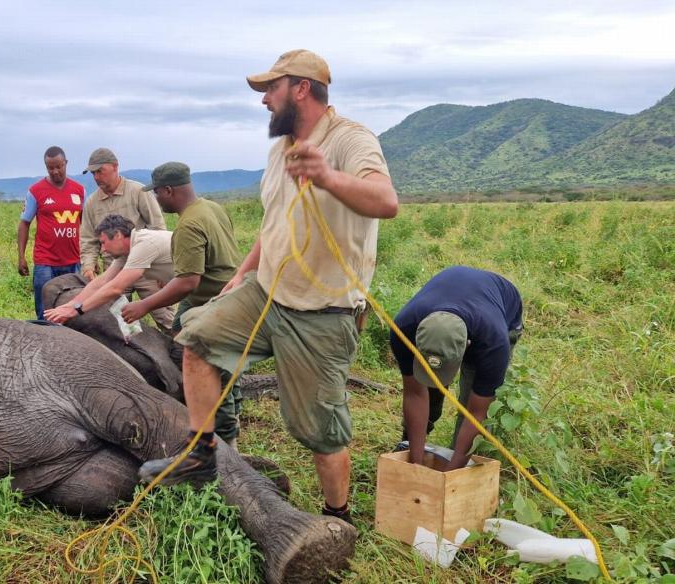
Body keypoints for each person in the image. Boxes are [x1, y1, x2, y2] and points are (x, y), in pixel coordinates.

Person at [139, 49, 398, 527]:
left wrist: (325, 175)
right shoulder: (281, 151)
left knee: (320, 429)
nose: (263, 102)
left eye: (270, 91)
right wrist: (242, 273)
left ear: (302, 88)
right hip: (268, 292)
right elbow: (274, 221)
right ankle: (201, 454)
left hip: (323, 309)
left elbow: (385, 201)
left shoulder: (350, 141)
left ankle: (336, 516)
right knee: (196, 338)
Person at [119, 162, 245, 447]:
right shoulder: (212, 208)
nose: (156, 200)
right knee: (225, 370)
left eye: (157, 194)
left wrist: (145, 305)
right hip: (231, 300)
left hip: (215, 308)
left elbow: (189, 281)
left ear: (168, 190)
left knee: (212, 375)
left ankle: (226, 448)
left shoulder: (188, 224)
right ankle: (230, 416)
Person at [390, 266, 524, 471]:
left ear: (467, 346)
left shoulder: (494, 344)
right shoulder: (404, 328)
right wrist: (415, 465)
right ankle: (411, 444)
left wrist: (450, 476)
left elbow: (476, 413)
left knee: (471, 398)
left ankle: (461, 465)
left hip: (501, 311)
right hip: (457, 306)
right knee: (430, 387)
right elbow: (415, 394)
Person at [44, 214, 175, 332]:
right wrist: (71, 304)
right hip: (185, 283)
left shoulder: (144, 244)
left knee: (179, 330)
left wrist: (76, 311)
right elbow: (102, 281)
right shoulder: (126, 250)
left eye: (103, 242)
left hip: (193, 285)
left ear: (117, 235)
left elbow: (115, 288)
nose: (103, 250)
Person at [17, 146, 88, 320]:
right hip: (45, 262)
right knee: (45, 312)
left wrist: (90, 258)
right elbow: (24, 223)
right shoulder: (36, 191)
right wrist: (21, 256)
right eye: (50, 167)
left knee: (73, 310)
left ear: (66, 163)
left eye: (59, 166)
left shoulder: (79, 190)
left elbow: (86, 224)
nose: (55, 171)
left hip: (73, 261)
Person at [78, 147, 166, 283]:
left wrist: (161, 269)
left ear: (115, 167)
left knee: (157, 302)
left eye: (100, 171)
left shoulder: (138, 192)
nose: (96, 177)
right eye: (93, 173)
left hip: (144, 265)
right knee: (113, 304)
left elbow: (158, 228)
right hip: (112, 268)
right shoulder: (91, 203)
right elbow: (88, 240)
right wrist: (88, 266)